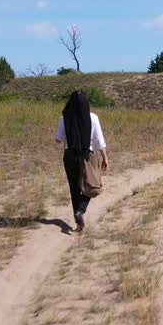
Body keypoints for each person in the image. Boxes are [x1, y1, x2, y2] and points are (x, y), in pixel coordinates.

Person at [54, 90, 108, 231]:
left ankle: (79, 223)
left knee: (74, 189)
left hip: (69, 157)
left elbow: (58, 139)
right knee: (92, 186)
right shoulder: (93, 117)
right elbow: (99, 140)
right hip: (87, 157)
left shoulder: (65, 118)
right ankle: (81, 211)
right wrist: (104, 158)